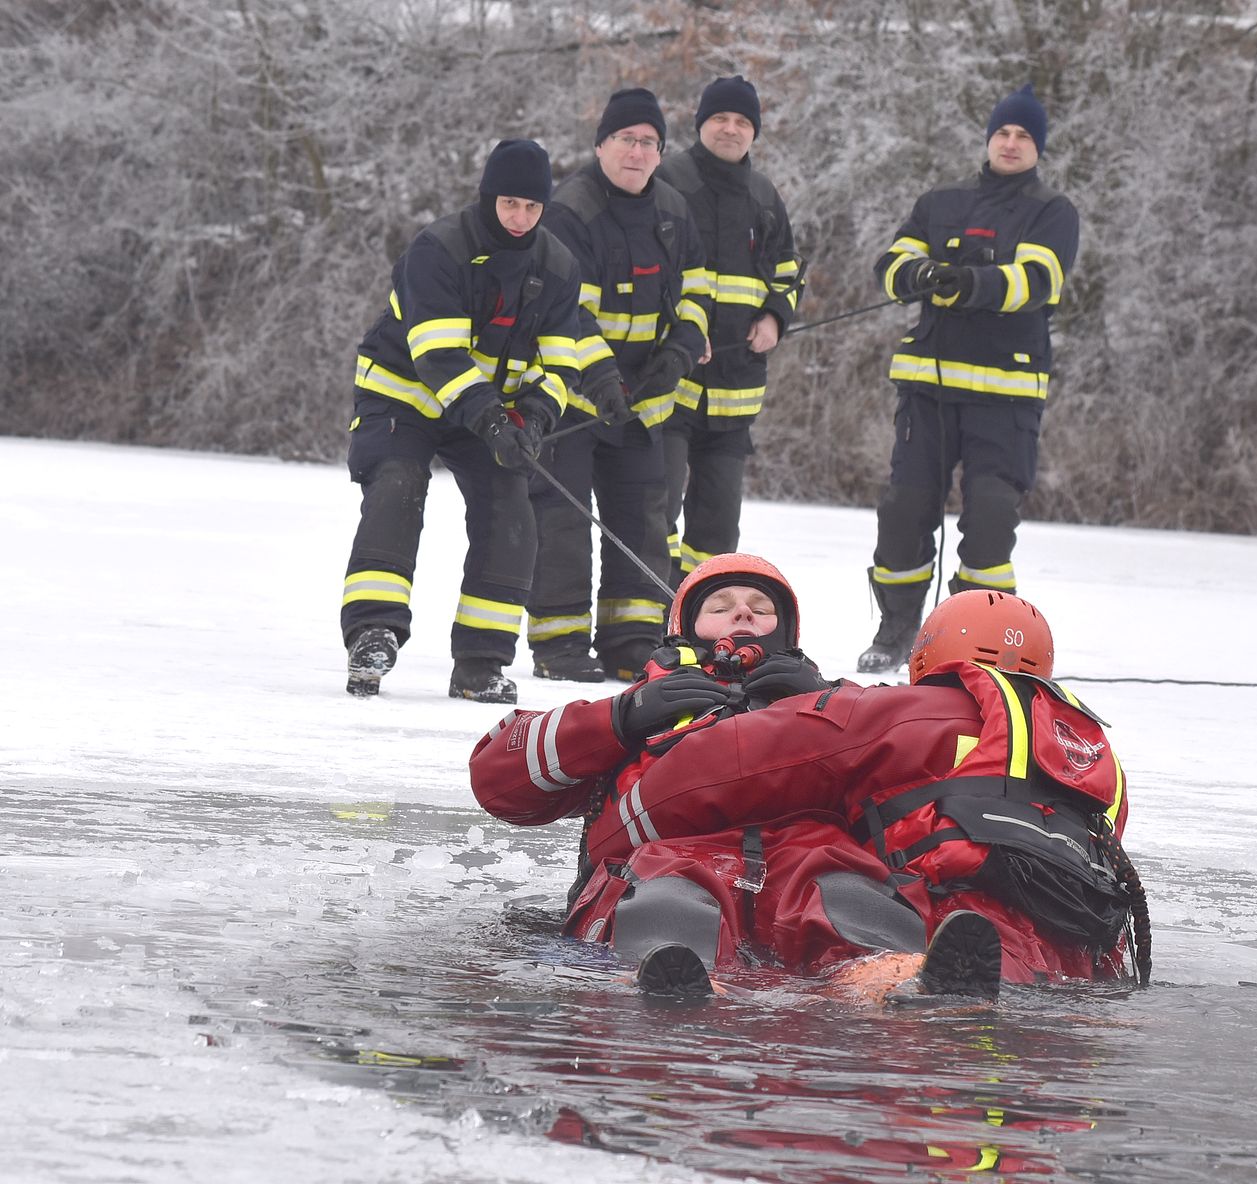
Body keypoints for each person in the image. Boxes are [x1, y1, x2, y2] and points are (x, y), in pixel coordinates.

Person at [582, 589, 1149, 993]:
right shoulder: (1095, 749)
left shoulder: (899, 710)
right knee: (978, 968)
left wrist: (616, 832)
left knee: (849, 900)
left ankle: (876, 983)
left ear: (929, 654)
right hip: (1083, 941)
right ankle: (902, 986)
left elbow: (736, 760)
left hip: (958, 902)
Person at [470, 553, 943, 996]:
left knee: (851, 892)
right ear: (685, 627)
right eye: (721, 606)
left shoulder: (835, 701)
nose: (743, 614)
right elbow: (499, 779)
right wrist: (619, 718)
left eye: (761, 608)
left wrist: (831, 704)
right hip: (663, 855)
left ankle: (891, 983)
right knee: (666, 901)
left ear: (787, 631)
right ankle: (672, 979)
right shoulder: (639, 707)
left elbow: (919, 772)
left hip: (809, 851)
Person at [341, 139, 580, 703]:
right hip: (405, 396)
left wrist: (535, 420)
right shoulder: (439, 249)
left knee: (511, 508)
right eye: (509, 204)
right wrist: (494, 420)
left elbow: (562, 361)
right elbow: (438, 356)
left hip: (486, 412)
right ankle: (373, 632)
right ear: (488, 197)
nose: (520, 218)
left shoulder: (559, 266)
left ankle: (481, 662)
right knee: (398, 486)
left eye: (532, 207)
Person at [859, 83, 1080, 674]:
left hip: (1006, 398)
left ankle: (977, 638)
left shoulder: (1052, 212)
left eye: (1024, 136)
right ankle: (897, 626)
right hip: (927, 390)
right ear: (989, 139)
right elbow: (890, 266)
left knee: (988, 519)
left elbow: (1036, 281)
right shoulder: (941, 202)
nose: (1011, 144)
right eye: (1003, 132)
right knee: (904, 511)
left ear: (1039, 148)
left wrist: (971, 283)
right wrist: (921, 273)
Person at [526, 88, 711, 684]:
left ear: (660, 153)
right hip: (574, 399)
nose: (637, 151)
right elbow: (566, 310)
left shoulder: (675, 210)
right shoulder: (570, 210)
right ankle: (559, 643)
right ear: (602, 145)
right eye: (626, 139)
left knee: (644, 521)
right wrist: (602, 376)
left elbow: (697, 290)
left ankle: (632, 640)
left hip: (645, 402)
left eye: (648, 142)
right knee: (562, 521)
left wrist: (681, 349)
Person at [654, 76, 804, 587]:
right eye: (721, 118)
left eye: (742, 122)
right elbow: (647, 268)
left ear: (754, 133)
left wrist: (775, 318)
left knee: (717, 525)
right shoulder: (668, 181)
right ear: (701, 124)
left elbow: (787, 268)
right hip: (669, 384)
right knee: (657, 507)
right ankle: (650, 613)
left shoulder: (764, 195)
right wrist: (681, 332)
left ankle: (698, 611)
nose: (731, 129)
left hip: (736, 391)